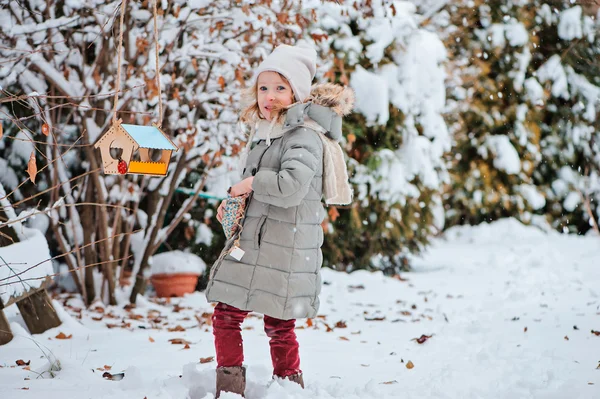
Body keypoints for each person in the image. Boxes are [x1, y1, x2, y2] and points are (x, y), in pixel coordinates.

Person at [205, 41, 354, 398]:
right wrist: (237, 203)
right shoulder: (267, 133)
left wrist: (252, 182)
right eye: (263, 87)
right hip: (257, 241)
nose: (269, 96)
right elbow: (263, 193)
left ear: (297, 93)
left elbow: (290, 187)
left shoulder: (304, 136)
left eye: (280, 88)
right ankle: (233, 389)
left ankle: (287, 388)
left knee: (278, 321)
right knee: (228, 313)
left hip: (283, 247)